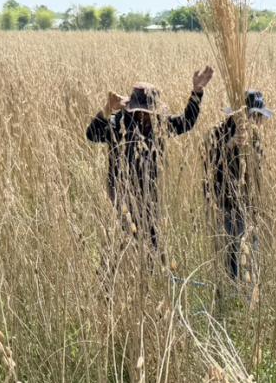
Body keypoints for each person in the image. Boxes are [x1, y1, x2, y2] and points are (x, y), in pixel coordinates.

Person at [85, 67, 214, 257]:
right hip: (120, 192)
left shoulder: (160, 125)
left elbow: (186, 122)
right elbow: (92, 135)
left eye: (149, 112)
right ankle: (112, 279)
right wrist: (107, 109)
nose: (146, 116)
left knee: (152, 244)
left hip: (149, 193)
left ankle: (148, 280)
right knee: (122, 243)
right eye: (141, 112)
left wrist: (197, 92)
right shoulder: (118, 123)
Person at [205, 89, 272, 281]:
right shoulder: (219, 133)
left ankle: (246, 301)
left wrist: (249, 149)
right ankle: (230, 299)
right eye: (256, 117)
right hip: (226, 207)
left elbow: (258, 172)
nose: (259, 122)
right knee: (231, 260)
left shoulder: (255, 138)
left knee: (251, 261)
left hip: (250, 208)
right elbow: (208, 166)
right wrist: (230, 145)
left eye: (260, 118)